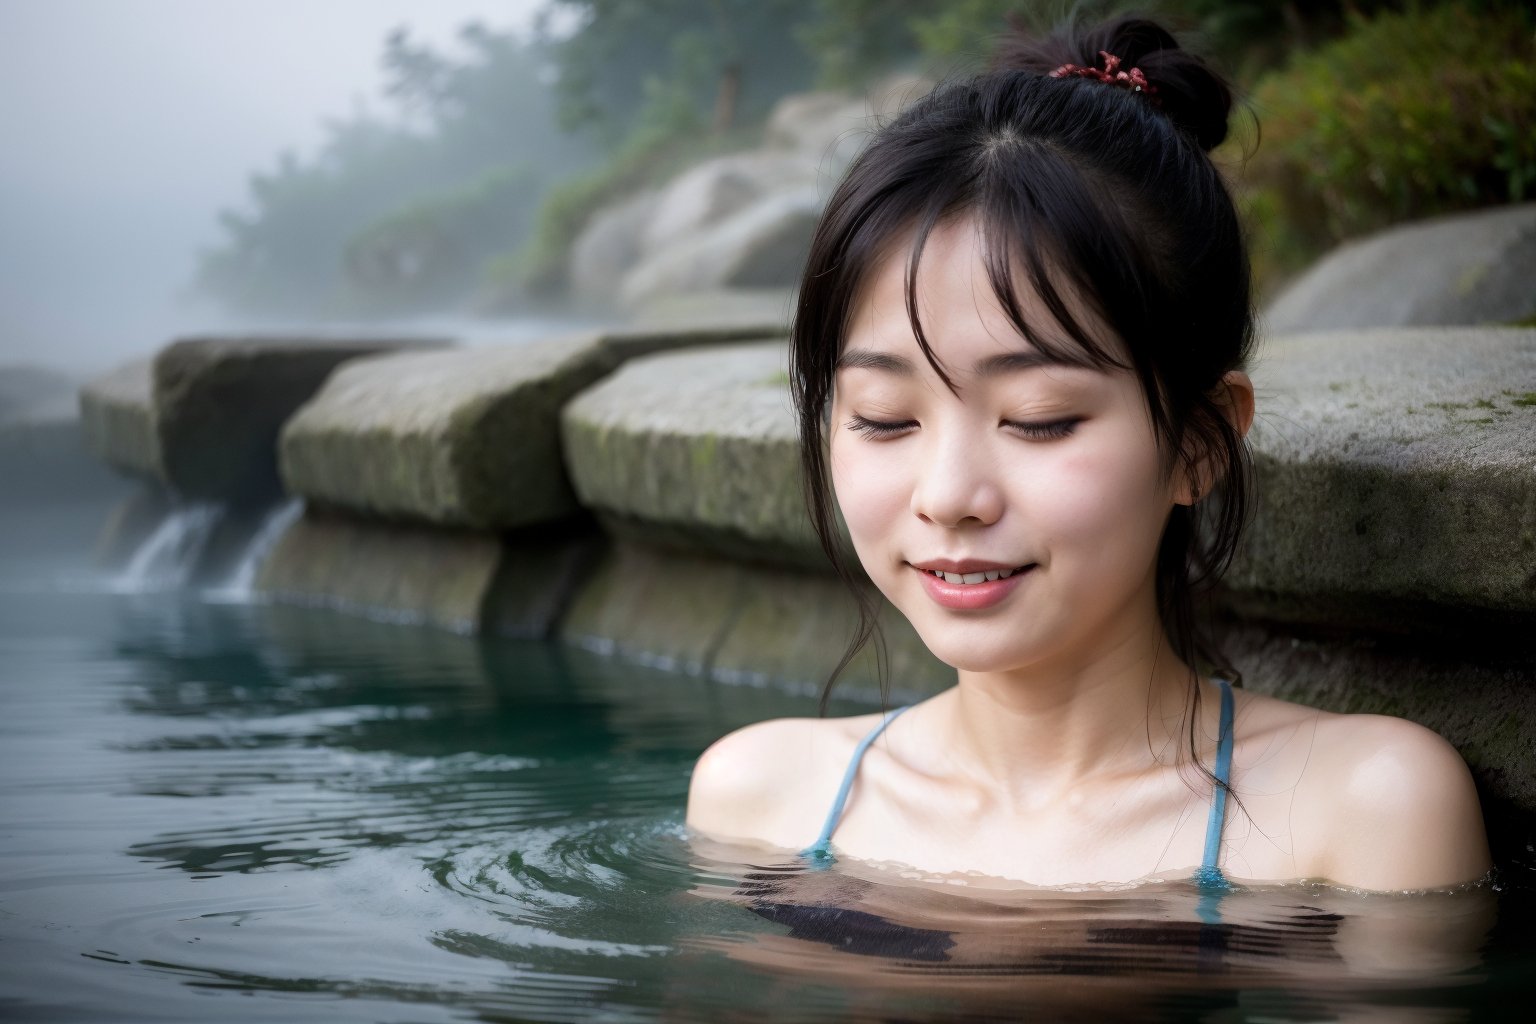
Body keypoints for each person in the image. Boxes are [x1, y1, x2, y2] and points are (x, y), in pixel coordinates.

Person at [685, 14, 1490, 892]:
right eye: (884, 417)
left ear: (1199, 441)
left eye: (1038, 419)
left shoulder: (1361, 810)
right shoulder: (763, 805)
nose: (951, 496)